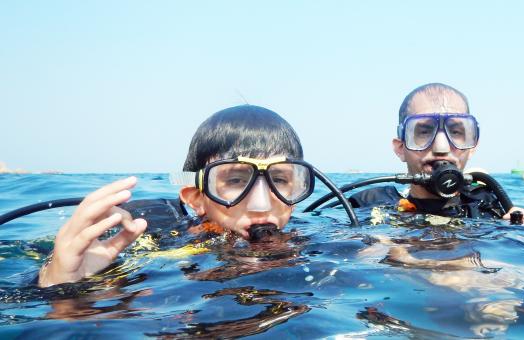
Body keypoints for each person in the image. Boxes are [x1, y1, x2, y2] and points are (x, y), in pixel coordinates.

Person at [38, 105, 318, 287]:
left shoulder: (317, 240)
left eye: (280, 180)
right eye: (235, 180)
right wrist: (63, 283)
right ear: (196, 198)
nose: (262, 203)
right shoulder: (156, 240)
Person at [348, 83, 524, 225]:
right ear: (400, 148)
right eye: (424, 131)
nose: (441, 147)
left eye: (457, 132)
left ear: (472, 146)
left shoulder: (491, 207)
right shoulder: (365, 205)